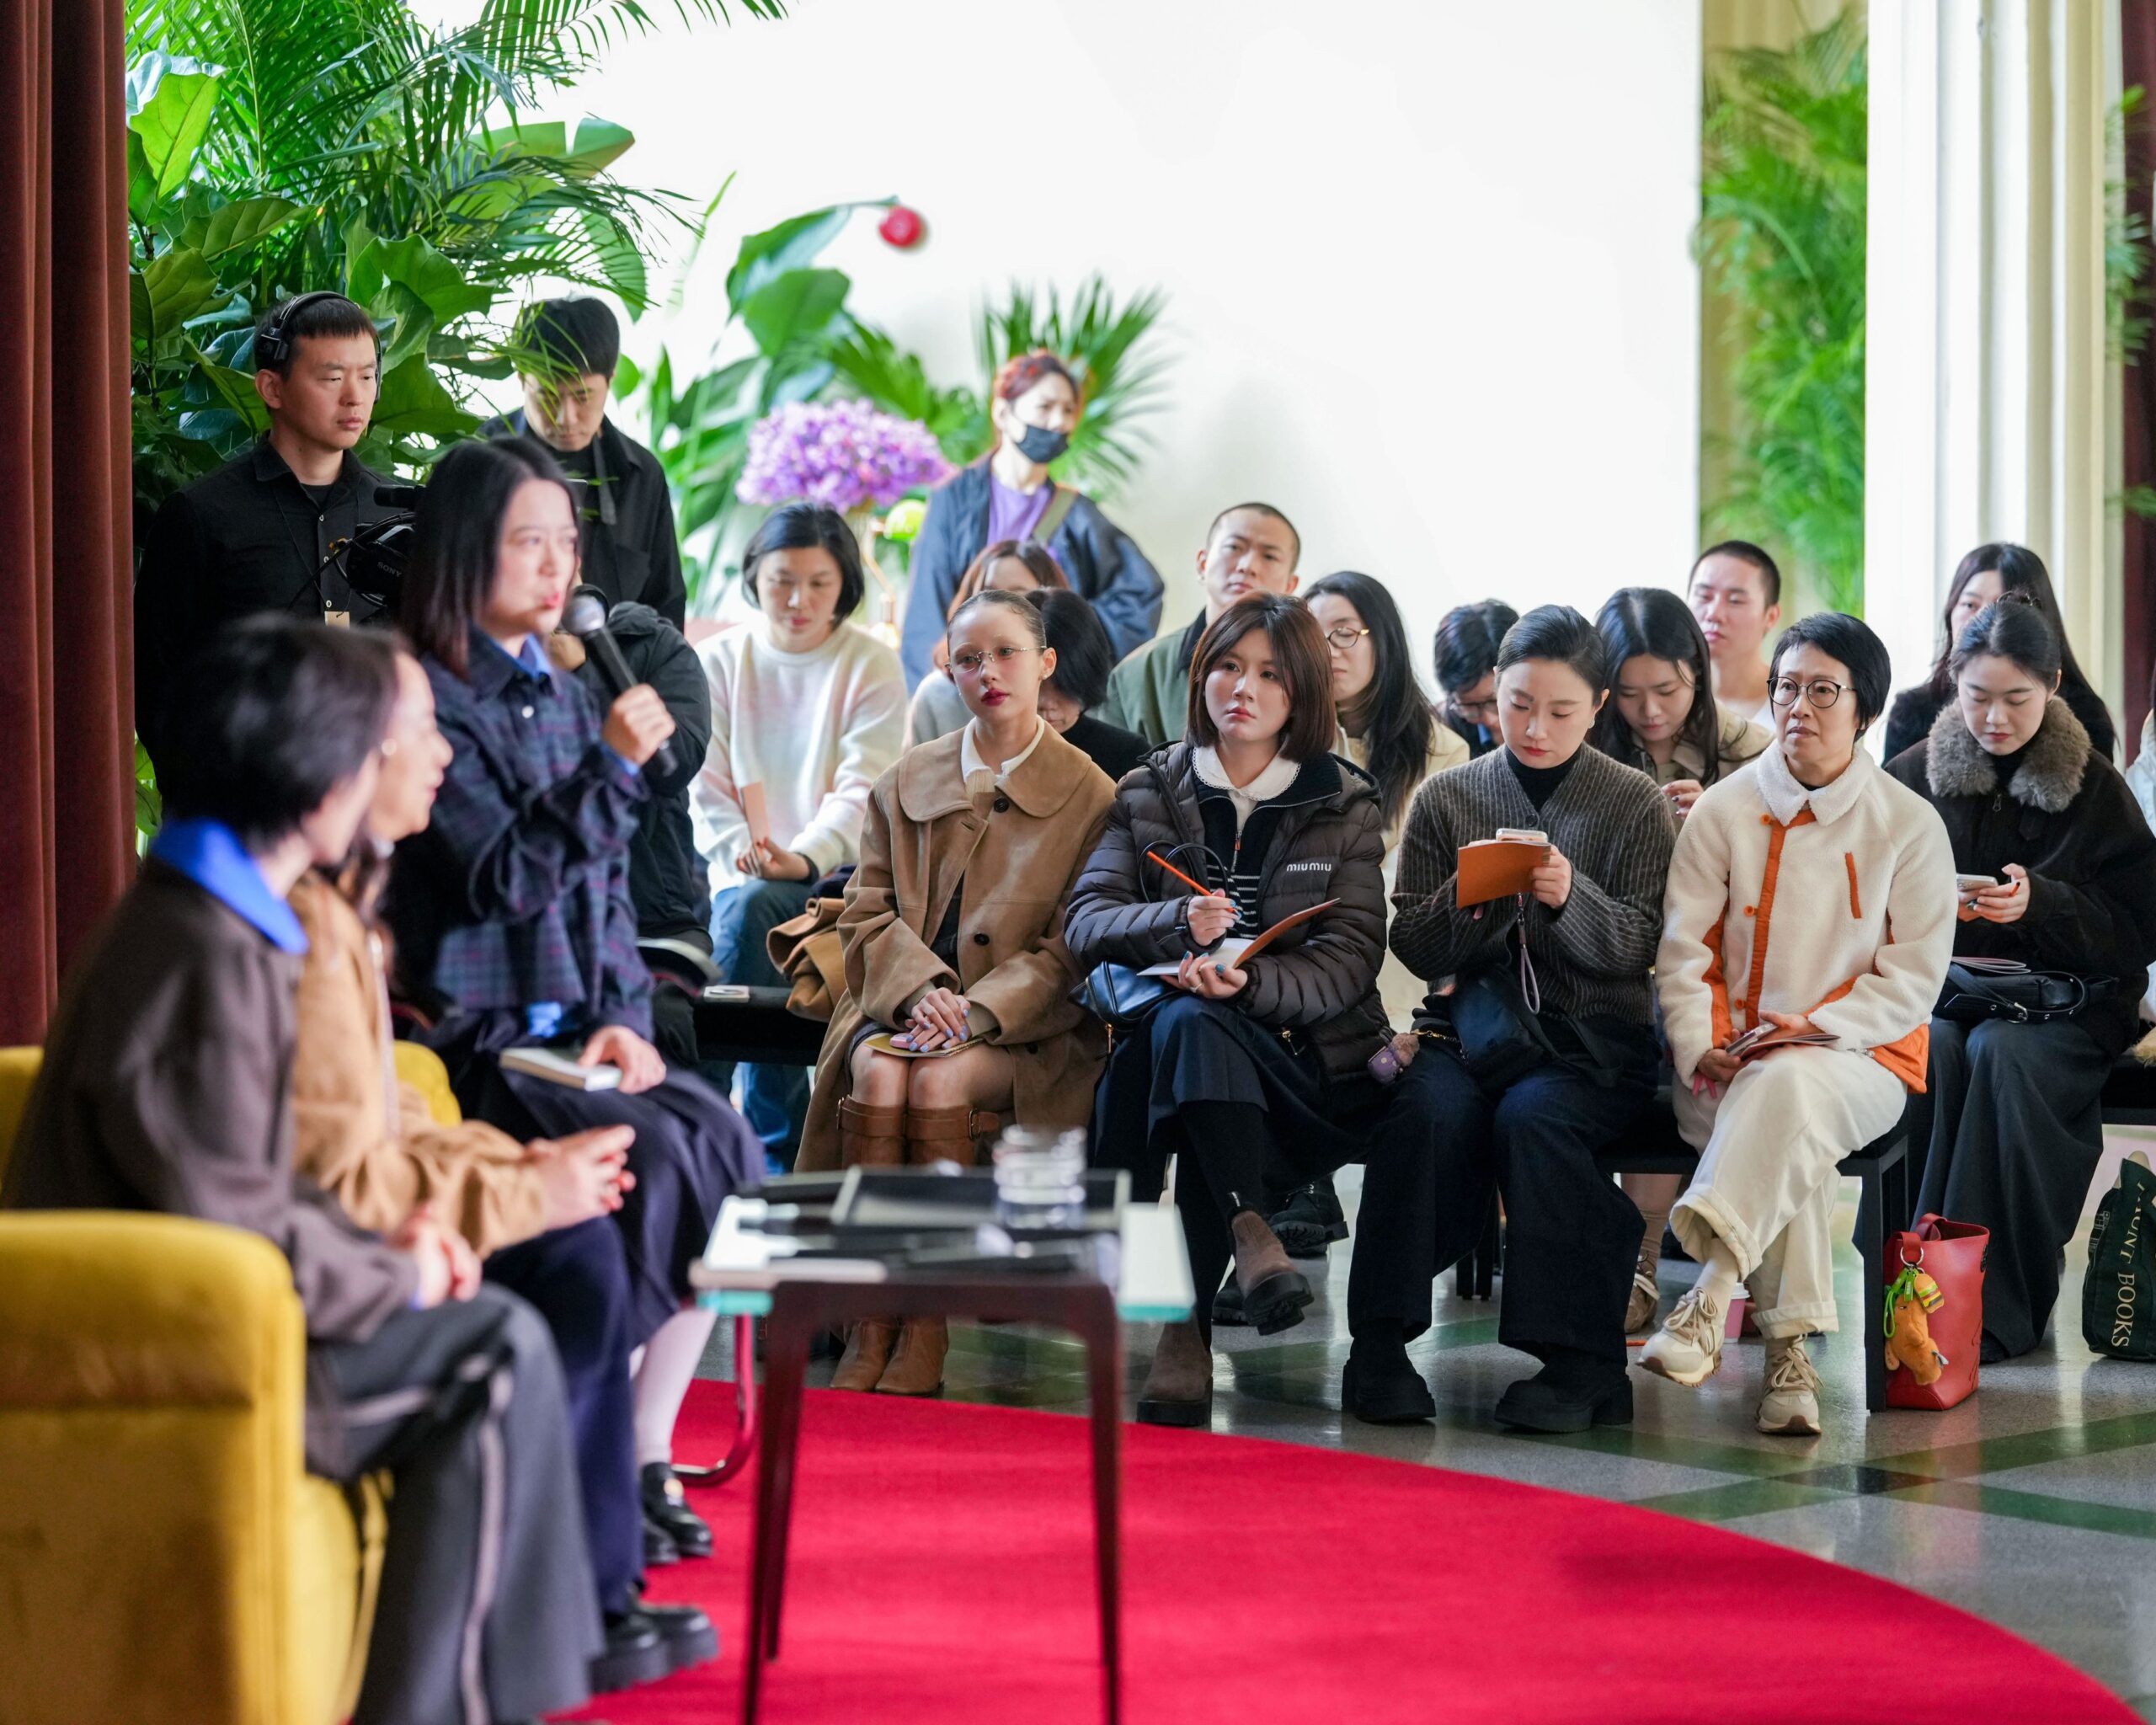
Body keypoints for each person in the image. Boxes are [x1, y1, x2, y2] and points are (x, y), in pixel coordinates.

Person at [3, 617, 606, 1725]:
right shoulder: (203, 953)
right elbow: (234, 1217)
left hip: (210, 1319)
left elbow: (257, 1183)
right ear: (322, 769)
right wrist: (403, 1277)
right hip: (173, 1350)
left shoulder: (208, 921)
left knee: (496, 1338)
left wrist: (391, 1251)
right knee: (495, 1355)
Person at [289, 644, 719, 1681]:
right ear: (342, 752)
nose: (443, 751)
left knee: (609, 1209)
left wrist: (527, 1174)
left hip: (320, 1248)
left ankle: (577, 1612)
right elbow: (332, 1176)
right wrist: (515, 1189)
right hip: (265, 1309)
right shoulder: (271, 932)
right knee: (527, 1301)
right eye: (422, 727)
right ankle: (535, 1645)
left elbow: (378, 1115)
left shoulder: (322, 906)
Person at [387, 435, 760, 1568]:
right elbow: (496, 879)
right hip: (483, 1037)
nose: (557, 568)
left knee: (730, 1150)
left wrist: (624, 1020)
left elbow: (604, 887)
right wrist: (606, 767)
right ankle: (600, 1458)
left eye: (567, 542)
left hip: (577, 1030)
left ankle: (645, 1448)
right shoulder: (424, 699)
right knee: (651, 1161)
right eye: (526, 543)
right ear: (466, 551)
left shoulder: (562, 682)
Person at [1344, 606, 1674, 1432]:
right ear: (1494, 693)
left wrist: (1570, 897)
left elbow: (1643, 943)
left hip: (1591, 1043)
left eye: (1561, 710)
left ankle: (1582, 1361)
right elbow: (1414, 941)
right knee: (1423, 1109)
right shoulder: (1449, 795)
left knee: (1535, 1119)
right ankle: (1379, 1344)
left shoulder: (1633, 801)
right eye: (1518, 703)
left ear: (1598, 704)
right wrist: (1471, 898)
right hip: (1470, 1031)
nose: (1534, 726)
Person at [1068, 594, 1393, 1428]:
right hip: (1164, 1047)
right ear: (1199, 674)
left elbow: (1350, 959)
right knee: (1185, 1023)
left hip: (1295, 1053)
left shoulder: (1343, 800)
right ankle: (1249, 1228)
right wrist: (1176, 922)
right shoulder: (1151, 784)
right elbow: (1087, 919)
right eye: (1224, 665)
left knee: (1197, 1029)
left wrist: (1248, 983)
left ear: (1303, 692)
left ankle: (1187, 1327)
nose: (1240, 687)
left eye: (1267, 674)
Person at [1647, 612, 1956, 1437]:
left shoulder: (1907, 823)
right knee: (1786, 1111)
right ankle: (1789, 1355)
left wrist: (1810, 1027)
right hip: (1723, 1066)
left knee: (1791, 1084)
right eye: (1786, 687)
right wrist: (1699, 1045)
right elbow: (1684, 954)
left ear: (1865, 710)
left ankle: (1708, 1294)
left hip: (1866, 1057)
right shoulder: (1720, 811)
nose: (1799, 707)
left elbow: (1911, 979)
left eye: (1824, 690)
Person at [801, 589, 1116, 1394]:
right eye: (969, 658)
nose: (989, 673)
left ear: (1046, 664)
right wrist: (921, 994)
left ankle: (927, 1324)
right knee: (880, 1071)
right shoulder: (909, 776)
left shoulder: (1091, 794)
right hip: (894, 1009)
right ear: (949, 669)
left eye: (1007, 653)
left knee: (936, 1077)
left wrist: (975, 1009)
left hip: (1028, 1029)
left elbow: (1073, 946)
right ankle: (875, 1324)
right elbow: (865, 912)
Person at [1886, 600, 2156, 1359]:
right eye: (1977, 697)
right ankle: (1915, 1286)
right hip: (1946, 996)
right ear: (1951, 683)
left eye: (2016, 699)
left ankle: (1991, 1307)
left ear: (2054, 685)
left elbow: (2138, 929)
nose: (1994, 718)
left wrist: (2045, 902)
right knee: (1934, 1048)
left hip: (2068, 1009)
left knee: (2002, 1056)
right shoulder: (1911, 779)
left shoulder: (2095, 789)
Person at [691, 502, 909, 1166]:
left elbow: (861, 790)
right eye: (783, 579)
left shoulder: (869, 664)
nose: (798, 599)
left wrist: (804, 858)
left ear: (845, 582)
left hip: (835, 884)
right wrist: (746, 857)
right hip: (733, 876)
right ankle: (773, 1147)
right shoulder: (718, 660)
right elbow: (705, 783)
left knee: (753, 916)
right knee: (749, 908)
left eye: (819, 582)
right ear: (755, 576)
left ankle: (709, 1125)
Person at [1268, 570, 1467, 1260]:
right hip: (1306, 930)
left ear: (1382, 639)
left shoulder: (1441, 749)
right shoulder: (1285, 738)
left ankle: (1307, 1179)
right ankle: (1300, 1184)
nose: (1331, 650)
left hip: (1391, 931)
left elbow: (1421, 868)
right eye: (1315, 636)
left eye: (1346, 633)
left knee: (1355, 917)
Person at [1589, 585, 1771, 1332]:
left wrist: (1724, 821)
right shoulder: (1589, 751)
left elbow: (1792, 873)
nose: (1650, 710)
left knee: (1736, 1056)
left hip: (1728, 966)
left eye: (1666, 689)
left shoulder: (1750, 750)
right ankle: (1640, 1257)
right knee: (1651, 1028)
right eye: (1628, 693)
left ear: (1697, 672)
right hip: (1622, 962)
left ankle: (1756, 1262)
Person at [134, 291, 398, 777]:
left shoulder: (395, 514)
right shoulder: (201, 515)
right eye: (334, 378)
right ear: (272, 388)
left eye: (367, 377)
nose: (355, 396)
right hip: (243, 807)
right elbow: (156, 683)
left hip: (372, 812)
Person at [899, 349, 1161, 687]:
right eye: (1045, 407)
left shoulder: (1075, 512)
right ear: (1003, 413)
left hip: (1045, 695)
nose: (1059, 422)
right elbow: (927, 607)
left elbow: (1140, 589)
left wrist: (1074, 652)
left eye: (1068, 410)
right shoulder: (953, 500)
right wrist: (940, 689)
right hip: (967, 687)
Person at [551, 587, 715, 1069]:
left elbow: (674, 764)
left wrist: (584, 676)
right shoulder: (487, 662)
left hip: (651, 914)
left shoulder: (651, 644)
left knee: (662, 1029)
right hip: (541, 923)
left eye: (565, 542)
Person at [482, 296, 687, 628]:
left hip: (616, 674)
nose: (566, 417)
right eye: (548, 395)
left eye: (583, 396)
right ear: (521, 377)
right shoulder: (477, 461)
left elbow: (666, 608)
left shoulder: (641, 475)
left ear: (611, 378)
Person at [1881, 542, 2118, 763]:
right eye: (1970, 605)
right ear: (1950, 612)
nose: (1984, 621)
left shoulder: (2085, 718)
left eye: (2003, 604)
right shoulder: (1912, 713)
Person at [1099, 502, 1301, 745]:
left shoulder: (1303, 672)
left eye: (1269, 556)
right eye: (1235, 547)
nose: (1248, 566)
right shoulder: (1138, 673)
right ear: (1202, 563)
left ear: (1291, 586)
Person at [906, 539, 1070, 745]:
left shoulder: (1074, 694)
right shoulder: (936, 696)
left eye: (1018, 596)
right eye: (989, 594)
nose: (999, 609)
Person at [1030, 587, 1151, 781]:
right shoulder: (983, 751)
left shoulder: (1127, 754)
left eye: (1064, 686)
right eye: (1036, 684)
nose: (1046, 703)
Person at [1687, 540, 1784, 728]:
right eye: (1704, 597)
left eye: (1735, 600)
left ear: (1771, 616)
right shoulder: (1663, 702)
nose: (1714, 614)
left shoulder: (1791, 706)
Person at [1432, 599, 1518, 759]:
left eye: (1494, 702)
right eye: (1469, 706)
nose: (1490, 720)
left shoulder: (1563, 717)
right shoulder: (1437, 736)